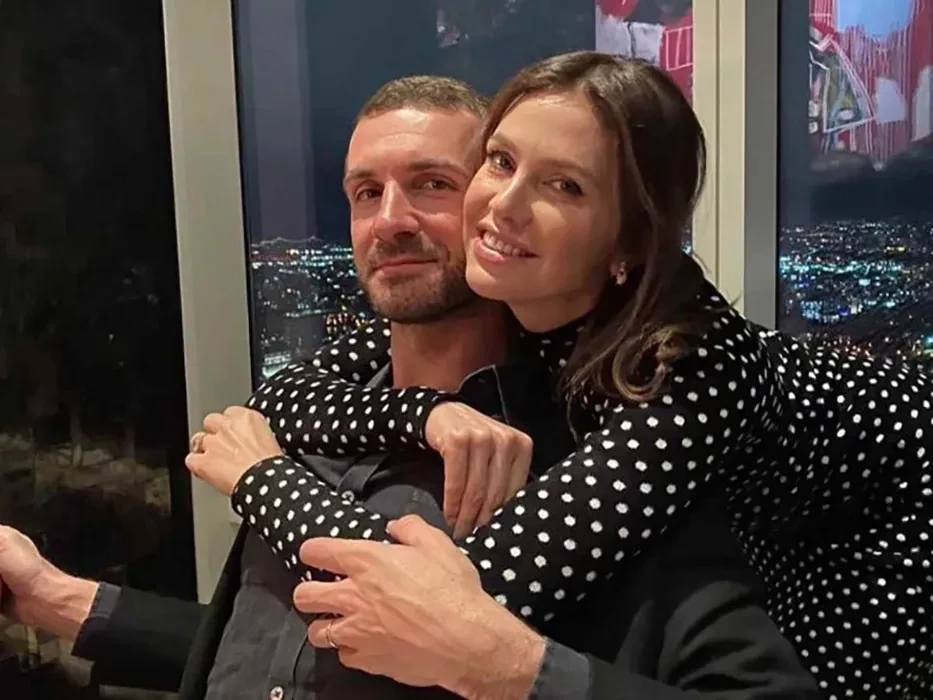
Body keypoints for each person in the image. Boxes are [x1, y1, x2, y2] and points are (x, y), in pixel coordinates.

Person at [0, 75, 816, 699]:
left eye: (431, 184)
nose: (389, 219)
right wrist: (55, 598)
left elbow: (424, 607)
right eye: (365, 192)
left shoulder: (613, 454)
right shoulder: (320, 414)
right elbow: (292, 653)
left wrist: (511, 666)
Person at [189, 52, 933, 700]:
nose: (504, 206)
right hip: (782, 509)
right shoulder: (519, 298)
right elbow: (284, 396)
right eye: (500, 161)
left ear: (629, 242)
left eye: (565, 187)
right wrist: (426, 414)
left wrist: (261, 480)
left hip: (893, 532)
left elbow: (448, 597)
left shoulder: (687, 373)